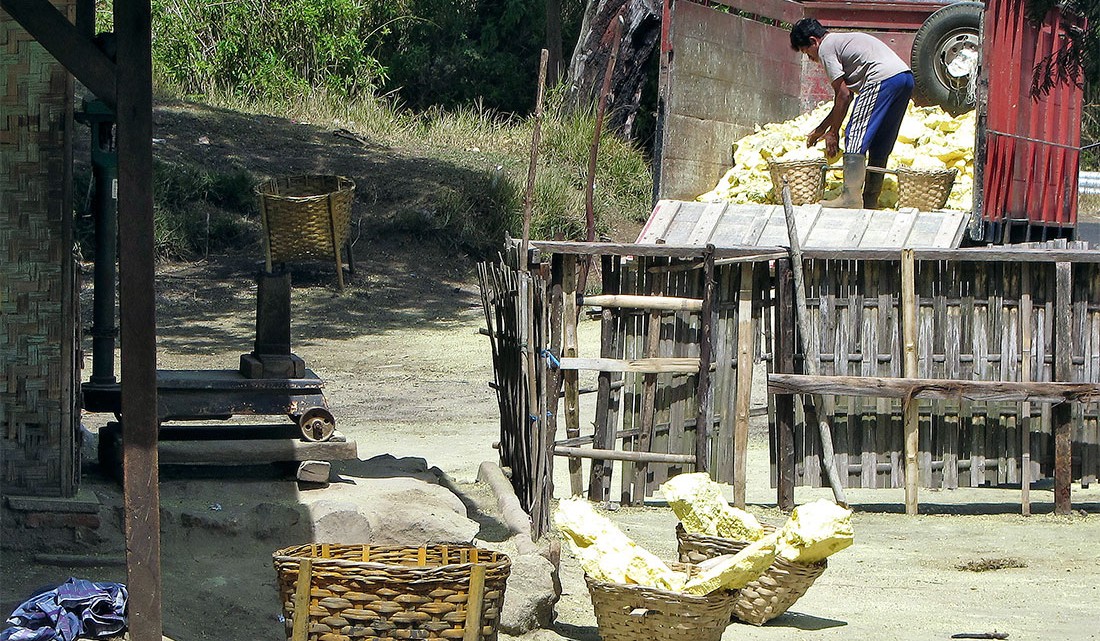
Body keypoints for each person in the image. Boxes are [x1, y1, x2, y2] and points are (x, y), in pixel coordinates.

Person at [790, 18, 914, 209]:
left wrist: (833, 132)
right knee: (881, 139)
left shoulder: (826, 48)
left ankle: (850, 197)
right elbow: (843, 100)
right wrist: (822, 128)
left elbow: (844, 95)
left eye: (807, 52)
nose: (811, 59)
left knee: (855, 134)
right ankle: (871, 198)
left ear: (814, 41)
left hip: (881, 79)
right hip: (904, 78)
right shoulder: (842, 41)